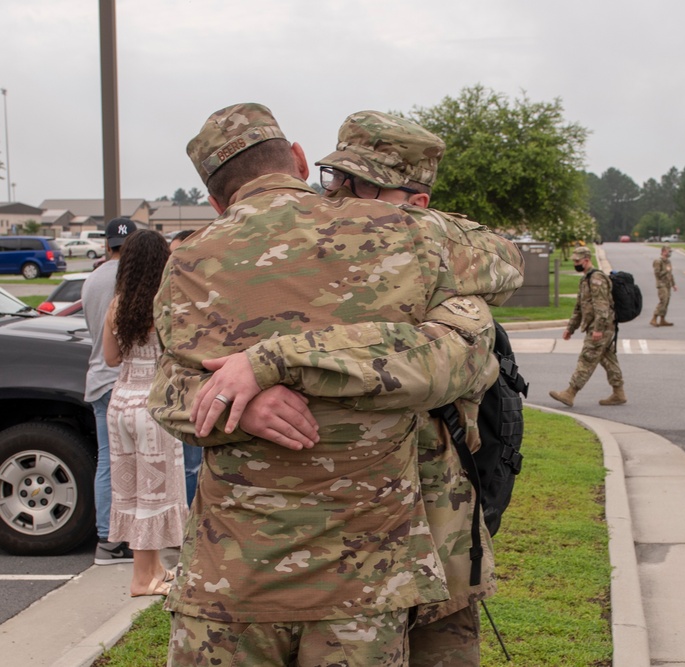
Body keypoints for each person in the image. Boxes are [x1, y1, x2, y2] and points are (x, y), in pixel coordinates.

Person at [148, 103, 504, 666]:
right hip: (364, 584)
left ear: (216, 201)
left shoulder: (189, 259)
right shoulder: (404, 234)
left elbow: (167, 392)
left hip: (230, 579)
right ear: (296, 159)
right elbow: (471, 327)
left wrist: (252, 379)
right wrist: (244, 398)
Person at [315, 110, 524, 665]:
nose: (335, 197)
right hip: (338, 540)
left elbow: (506, 260)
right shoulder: (314, 253)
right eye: (331, 179)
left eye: (356, 185)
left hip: (438, 521)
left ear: (416, 205)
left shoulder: (447, 266)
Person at [102, 230, 187, 597]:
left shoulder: (117, 304)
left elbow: (110, 358)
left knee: (131, 489)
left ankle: (153, 569)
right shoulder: (163, 302)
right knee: (155, 493)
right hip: (153, 406)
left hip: (120, 402)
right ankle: (143, 579)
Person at [81, 216, 137, 565]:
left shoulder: (91, 280)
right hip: (127, 380)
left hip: (98, 378)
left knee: (107, 460)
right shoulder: (133, 281)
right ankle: (133, 536)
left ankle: (107, 538)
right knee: (140, 461)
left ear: (106, 245)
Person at [549, 245, 627, 407]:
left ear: (586, 260)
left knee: (587, 358)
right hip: (598, 326)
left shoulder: (596, 279)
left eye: (577, 261)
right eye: (574, 260)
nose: (575, 263)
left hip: (601, 327)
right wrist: (570, 328)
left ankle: (570, 393)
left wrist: (598, 329)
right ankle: (619, 393)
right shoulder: (585, 279)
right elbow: (580, 307)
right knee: (608, 359)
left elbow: (602, 306)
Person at [167, 229, 201, 506]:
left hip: (199, 392)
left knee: (193, 466)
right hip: (177, 391)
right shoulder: (168, 293)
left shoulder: (202, 293)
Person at [651, 243, 678, 327]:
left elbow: (670, 274)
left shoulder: (668, 261)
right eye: (668, 251)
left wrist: (673, 284)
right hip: (661, 284)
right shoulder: (658, 261)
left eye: (670, 252)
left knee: (667, 302)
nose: (669, 253)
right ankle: (654, 318)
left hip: (667, 284)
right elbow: (657, 274)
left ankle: (662, 319)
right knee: (663, 301)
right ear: (663, 252)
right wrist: (666, 270)